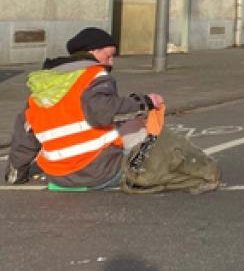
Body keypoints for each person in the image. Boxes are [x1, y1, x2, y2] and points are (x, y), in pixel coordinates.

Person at [3, 27, 164, 189]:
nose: (111, 62)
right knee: (139, 127)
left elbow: (24, 137)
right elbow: (102, 112)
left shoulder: (43, 86)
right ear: (93, 52)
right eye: (108, 56)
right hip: (98, 173)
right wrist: (145, 101)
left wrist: (15, 173)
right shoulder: (94, 76)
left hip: (59, 177)